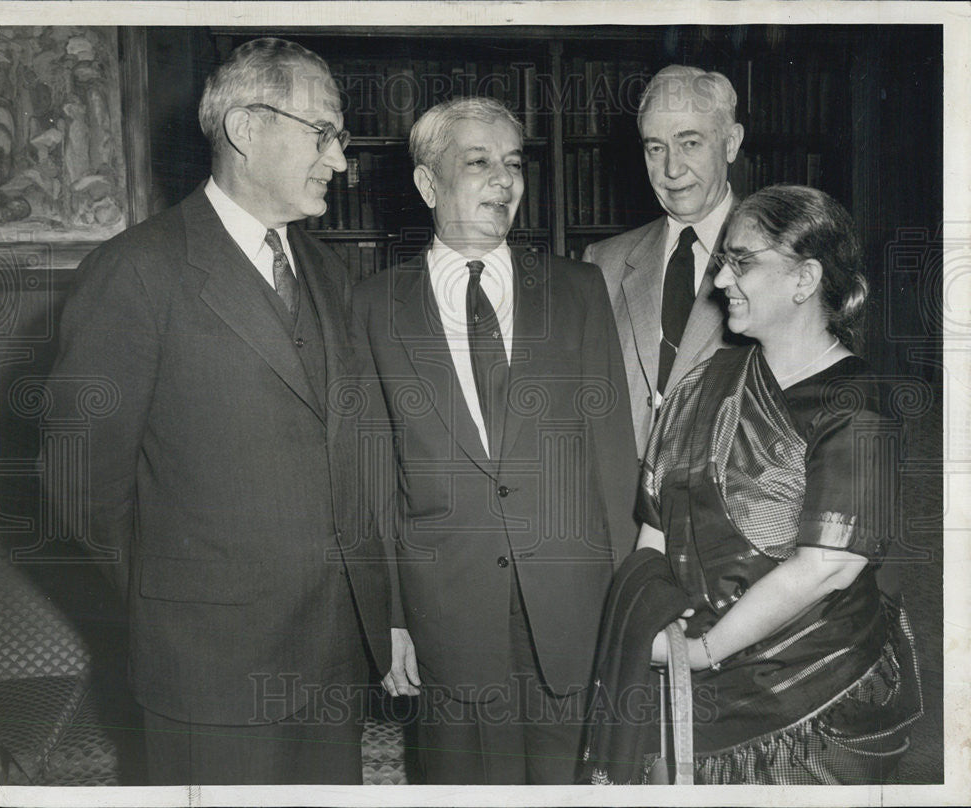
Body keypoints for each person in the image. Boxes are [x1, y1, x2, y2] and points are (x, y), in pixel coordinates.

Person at [45, 38, 392, 785]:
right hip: (209, 667)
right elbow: (81, 486)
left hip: (334, 661)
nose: (340, 158)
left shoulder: (331, 272)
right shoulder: (136, 271)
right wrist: (181, 601)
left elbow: (353, 453)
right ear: (245, 129)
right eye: (324, 132)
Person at [591, 185, 923, 784]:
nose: (720, 282)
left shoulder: (858, 405)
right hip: (687, 686)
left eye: (741, 262)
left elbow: (827, 566)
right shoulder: (705, 382)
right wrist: (650, 630)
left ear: (805, 278)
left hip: (809, 700)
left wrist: (702, 653)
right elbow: (654, 532)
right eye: (723, 263)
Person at [353, 97, 640, 784]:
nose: (505, 181)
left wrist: (629, 605)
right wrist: (387, 617)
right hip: (445, 613)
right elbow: (371, 475)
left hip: (574, 607)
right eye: (478, 162)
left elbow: (613, 458)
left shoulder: (578, 290)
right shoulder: (371, 306)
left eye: (513, 163)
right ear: (428, 184)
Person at [583, 64, 745, 462]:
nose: (672, 170)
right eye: (656, 148)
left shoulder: (781, 257)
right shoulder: (602, 263)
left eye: (690, 143)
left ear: (731, 142)